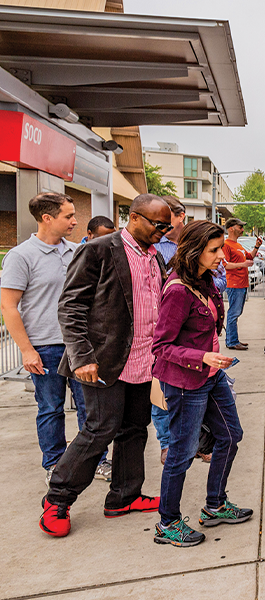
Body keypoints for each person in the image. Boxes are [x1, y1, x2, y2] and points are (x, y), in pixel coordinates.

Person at [39, 194, 172, 538]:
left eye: (167, 226)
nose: (163, 231)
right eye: (159, 224)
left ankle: (123, 497)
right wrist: (82, 356)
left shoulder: (155, 257)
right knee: (99, 430)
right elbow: (71, 307)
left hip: (144, 361)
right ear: (135, 217)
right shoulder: (98, 250)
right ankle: (57, 499)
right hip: (103, 362)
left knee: (135, 429)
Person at [152, 220, 251, 547]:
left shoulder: (204, 279)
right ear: (194, 251)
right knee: (181, 453)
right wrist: (202, 358)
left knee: (231, 435)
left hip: (210, 377)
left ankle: (215, 505)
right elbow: (161, 347)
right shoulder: (178, 290)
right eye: (214, 250)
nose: (221, 255)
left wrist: (210, 358)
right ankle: (167, 524)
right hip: (186, 383)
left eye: (221, 247)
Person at [0, 193, 109, 485]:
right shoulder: (21, 256)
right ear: (47, 218)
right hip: (45, 347)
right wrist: (26, 350)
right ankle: (54, 464)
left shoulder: (78, 251)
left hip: (81, 345)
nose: (75, 221)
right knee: (51, 408)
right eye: (68, 216)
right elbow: (8, 306)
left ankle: (98, 460)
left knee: (92, 409)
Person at [150, 195, 187, 466]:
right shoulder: (152, 248)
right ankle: (167, 443)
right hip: (160, 327)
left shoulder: (192, 242)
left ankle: (189, 439)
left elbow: (217, 278)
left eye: (164, 219)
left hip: (188, 327)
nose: (161, 226)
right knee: (161, 389)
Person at [222, 217, 261, 350]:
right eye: (240, 227)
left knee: (236, 312)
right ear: (231, 228)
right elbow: (225, 265)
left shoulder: (237, 245)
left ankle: (233, 339)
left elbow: (249, 257)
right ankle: (232, 341)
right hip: (234, 284)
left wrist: (257, 246)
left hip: (241, 284)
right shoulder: (226, 245)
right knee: (234, 313)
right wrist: (243, 264)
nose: (242, 229)